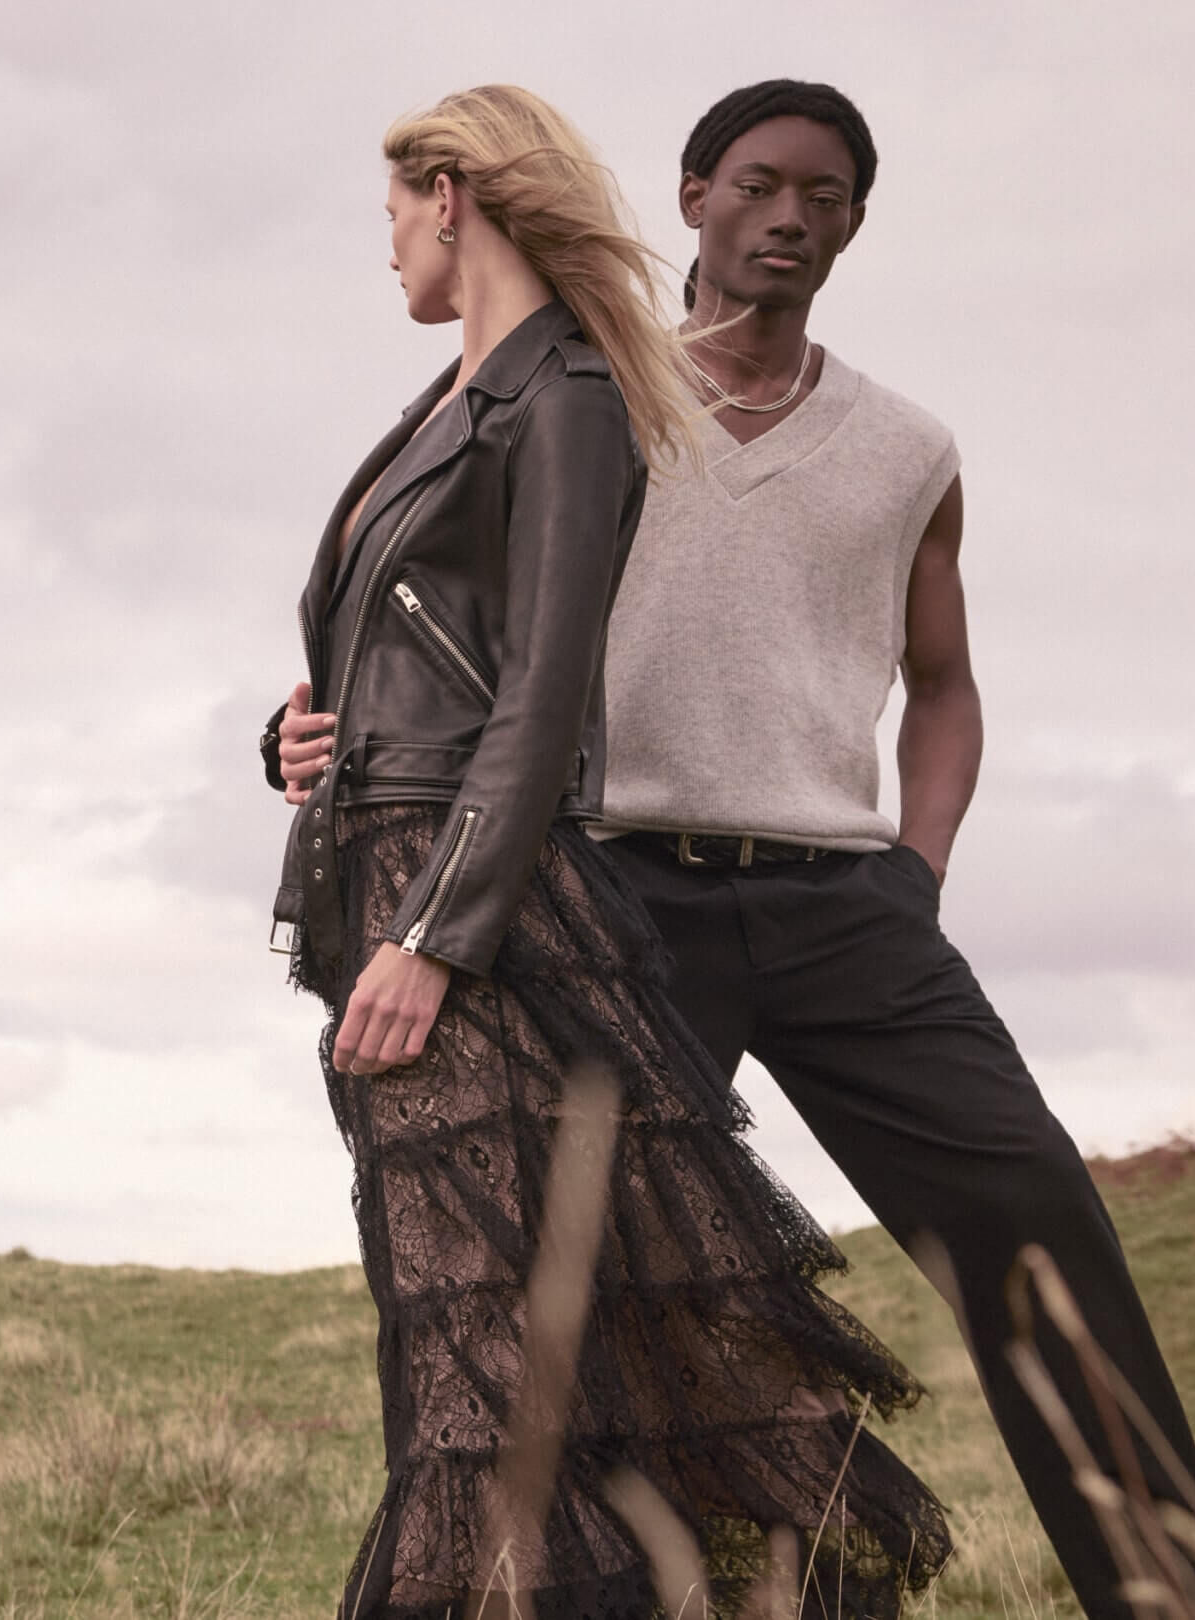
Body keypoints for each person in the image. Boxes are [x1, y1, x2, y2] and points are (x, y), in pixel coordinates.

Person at [261, 85, 947, 1620]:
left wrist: (436, 936)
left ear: (452, 195)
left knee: (482, 1372)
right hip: (399, 871)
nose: (386, 253)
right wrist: (300, 741)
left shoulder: (563, 395)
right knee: (489, 1349)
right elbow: (418, 656)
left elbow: (548, 691)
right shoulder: (451, 401)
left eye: (392, 214)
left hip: (475, 913)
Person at [588, 81, 1195, 1619]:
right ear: (691, 197)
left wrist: (919, 866)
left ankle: (1175, 1601)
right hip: (623, 900)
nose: (789, 219)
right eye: (758, 186)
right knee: (606, 1287)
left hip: (847, 910)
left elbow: (944, 685)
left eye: (825, 198)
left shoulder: (906, 448)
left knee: (1042, 1236)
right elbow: (428, 591)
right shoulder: (586, 393)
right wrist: (316, 713)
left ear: (856, 224)